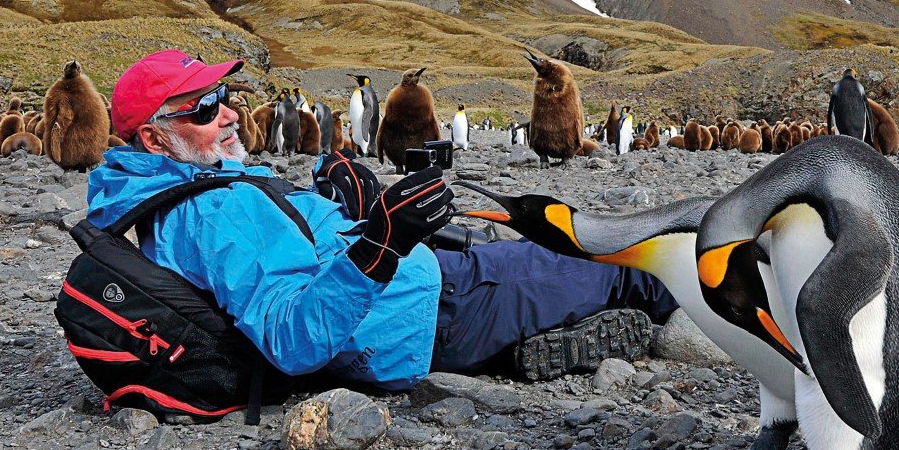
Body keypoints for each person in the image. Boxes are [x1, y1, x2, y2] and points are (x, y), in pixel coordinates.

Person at [86, 50, 677, 392]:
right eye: (206, 108)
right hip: (431, 311)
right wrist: (382, 244)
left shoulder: (189, 190)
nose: (231, 113)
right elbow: (294, 338)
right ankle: (733, 313)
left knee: (524, 246)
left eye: (225, 95)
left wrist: (343, 200)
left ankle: (544, 337)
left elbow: (288, 251)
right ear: (153, 137)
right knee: (618, 261)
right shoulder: (209, 215)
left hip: (416, 290)